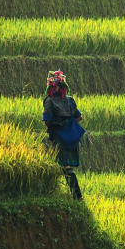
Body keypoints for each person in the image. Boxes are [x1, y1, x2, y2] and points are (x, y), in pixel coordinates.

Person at [42, 69, 85, 198]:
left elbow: (47, 120)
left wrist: (55, 128)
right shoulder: (69, 100)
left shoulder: (49, 101)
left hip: (60, 138)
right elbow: (79, 117)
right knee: (63, 165)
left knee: (62, 165)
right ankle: (69, 194)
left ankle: (76, 195)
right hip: (72, 137)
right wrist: (68, 125)